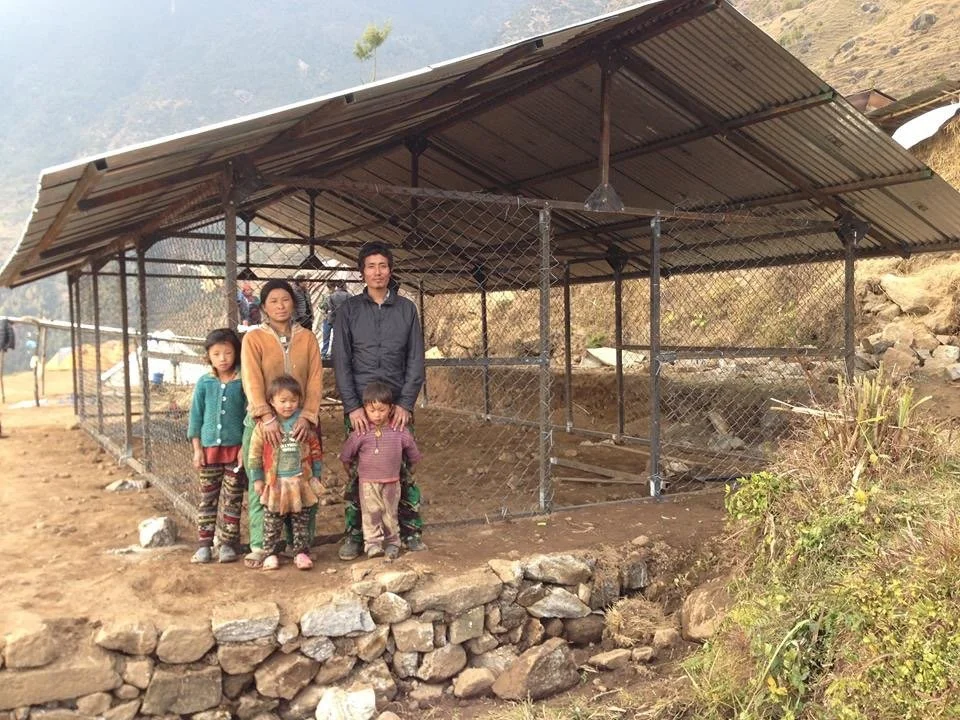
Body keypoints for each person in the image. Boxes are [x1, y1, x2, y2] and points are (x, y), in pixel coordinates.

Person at [333, 241, 426, 560]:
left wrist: (405, 404)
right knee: (360, 474)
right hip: (361, 407)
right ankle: (356, 535)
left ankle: (409, 532)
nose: (377, 272)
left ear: (391, 270)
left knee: (402, 471)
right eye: (371, 266)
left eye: (383, 265)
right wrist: (352, 406)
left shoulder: (406, 310)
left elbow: (415, 360)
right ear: (362, 272)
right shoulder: (347, 311)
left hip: (397, 406)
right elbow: (342, 362)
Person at [240, 279, 323, 568]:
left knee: (304, 479)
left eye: (285, 300)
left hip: (300, 423)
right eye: (273, 301)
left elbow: (314, 378)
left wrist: (308, 414)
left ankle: (300, 545)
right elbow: (251, 379)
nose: (280, 305)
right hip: (266, 424)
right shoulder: (253, 338)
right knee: (263, 484)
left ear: (294, 303)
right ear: (263, 307)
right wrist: (265, 415)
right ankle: (263, 545)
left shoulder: (307, 338)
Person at [339, 382, 422, 560]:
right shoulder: (360, 432)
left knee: (390, 513)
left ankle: (393, 542)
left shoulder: (399, 430)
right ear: (364, 409)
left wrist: (413, 467)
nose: (377, 415)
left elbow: (413, 453)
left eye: (382, 410)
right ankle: (373, 544)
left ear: (391, 409)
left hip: (392, 481)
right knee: (371, 513)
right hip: (368, 483)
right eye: (372, 410)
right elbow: (346, 456)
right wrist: (350, 471)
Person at [247, 375, 322, 571]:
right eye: (283, 401)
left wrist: (316, 474)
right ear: (271, 401)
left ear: (299, 401)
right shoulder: (263, 427)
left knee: (300, 521)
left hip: (300, 481)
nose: (288, 405)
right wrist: (257, 479)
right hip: (275, 483)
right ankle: (270, 553)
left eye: (293, 401)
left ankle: (301, 553)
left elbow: (315, 450)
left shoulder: (304, 425)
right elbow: (254, 454)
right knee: (272, 521)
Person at [187, 328, 246, 564]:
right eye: (217, 353)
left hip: (235, 451)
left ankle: (228, 544)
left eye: (228, 353)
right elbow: (196, 417)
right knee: (208, 498)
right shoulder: (205, 383)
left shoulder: (243, 381)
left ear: (236, 354)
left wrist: (244, 447)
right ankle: (204, 544)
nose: (223, 358)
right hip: (209, 451)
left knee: (233, 498)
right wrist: (197, 449)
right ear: (208, 356)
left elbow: (248, 415)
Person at [320, 281, 350, 361]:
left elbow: (328, 307)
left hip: (331, 318)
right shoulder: (348, 295)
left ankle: (324, 353)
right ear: (344, 286)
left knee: (326, 336)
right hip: (343, 319)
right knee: (338, 337)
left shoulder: (331, 296)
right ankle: (336, 353)